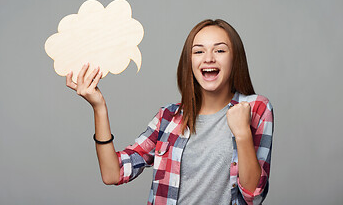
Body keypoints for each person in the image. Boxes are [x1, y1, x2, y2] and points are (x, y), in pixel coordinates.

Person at [66, 19, 274, 205]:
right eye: (199, 51)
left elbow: (253, 196)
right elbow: (112, 173)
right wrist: (99, 107)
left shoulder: (256, 108)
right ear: (189, 61)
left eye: (220, 50)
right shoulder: (168, 118)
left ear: (234, 58)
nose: (208, 58)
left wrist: (242, 133)